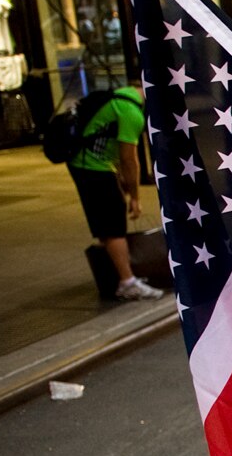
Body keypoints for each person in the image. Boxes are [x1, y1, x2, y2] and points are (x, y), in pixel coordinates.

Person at [67, 84, 165, 301]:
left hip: (88, 165)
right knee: (113, 225)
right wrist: (135, 197)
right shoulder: (131, 113)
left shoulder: (120, 96)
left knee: (107, 222)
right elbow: (129, 159)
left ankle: (119, 274)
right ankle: (127, 282)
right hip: (93, 168)